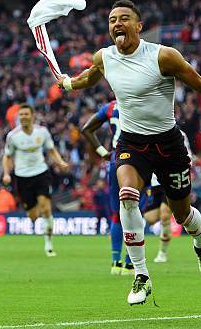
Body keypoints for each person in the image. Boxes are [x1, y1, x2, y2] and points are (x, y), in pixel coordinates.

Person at [56, 0, 201, 305]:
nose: (117, 24)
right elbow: (89, 76)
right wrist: (69, 84)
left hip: (168, 145)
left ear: (139, 26)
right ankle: (141, 276)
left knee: (181, 214)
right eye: (112, 20)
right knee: (127, 195)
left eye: (124, 18)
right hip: (130, 144)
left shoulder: (163, 56)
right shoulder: (105, 57)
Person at [2, 103, 69, 257]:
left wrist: (60, 163)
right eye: (21, 115)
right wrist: (6, 173)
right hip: (22, 177)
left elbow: (51, 149)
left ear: (32, 116)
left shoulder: (42, 132)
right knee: (33, 216)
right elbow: (7, 156)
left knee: (46, 208)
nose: (23, 117)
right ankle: (36, 212)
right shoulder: (13, 136)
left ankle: (49, 243)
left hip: (41, 173)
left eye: (26, 114)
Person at [82, 99, 137, 275]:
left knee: (116, 214)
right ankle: (130, 263)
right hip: (138, 159)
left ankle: (115, 262)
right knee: (135, 210)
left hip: (116, 158)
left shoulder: (111, 106)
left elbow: (86, 129)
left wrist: (102, 153)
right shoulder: (142, 100)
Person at [144, 129, 191, 264]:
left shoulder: (180, 135)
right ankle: (170, 225)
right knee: (150, 218)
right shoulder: (148, 132)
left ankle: (162, 253)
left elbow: (188, 155)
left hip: (171, 178)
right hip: (154, 182)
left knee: (165, 216)